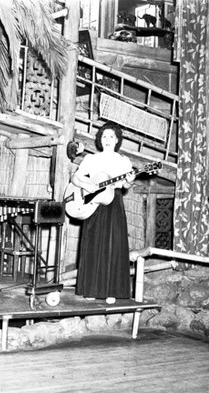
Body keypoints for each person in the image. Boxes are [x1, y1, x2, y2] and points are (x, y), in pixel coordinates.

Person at [71, 122, 135, 305]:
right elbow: (75, 177)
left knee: (114, 245)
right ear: (100, 139)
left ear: (117, 140)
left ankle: (111, 291)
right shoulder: (91, 159)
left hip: (114, 202)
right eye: (104, 136)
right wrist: (86, 185)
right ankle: (90, 289)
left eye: (111, 137)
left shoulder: (123, 161)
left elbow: (125, 185)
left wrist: (130, 181)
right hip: (92, 202)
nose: (107, 140)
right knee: (92, 242)